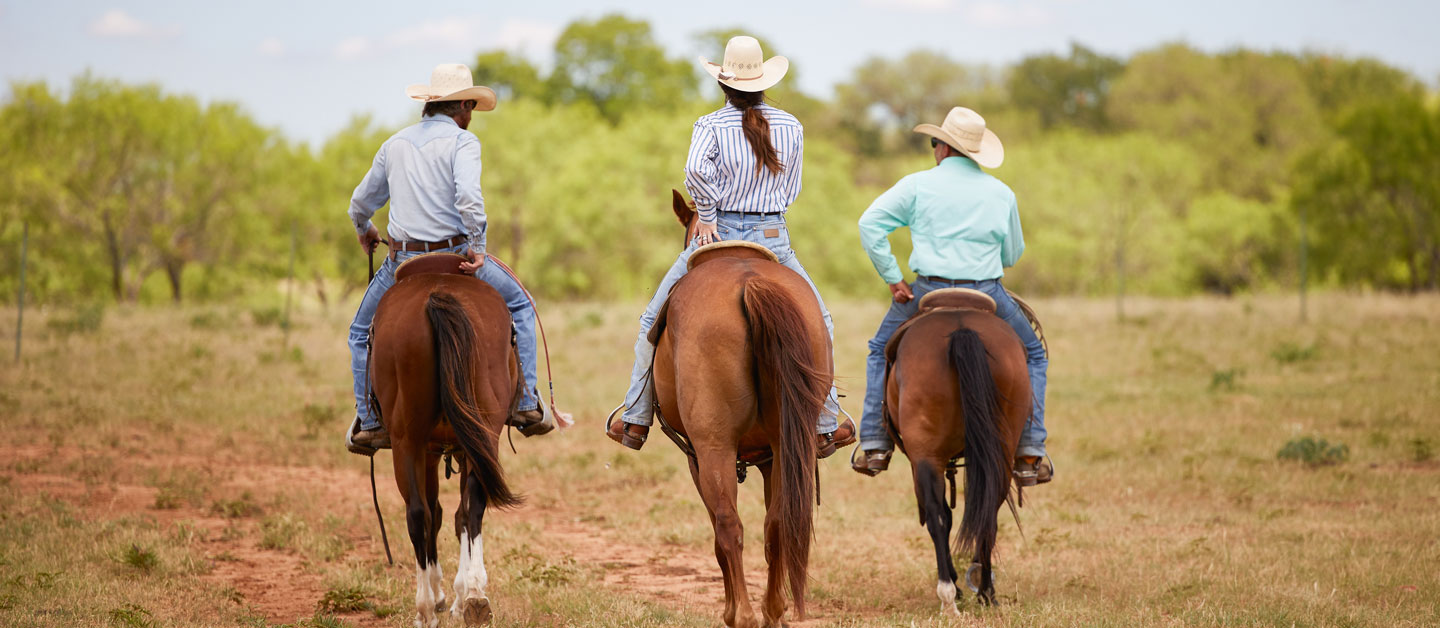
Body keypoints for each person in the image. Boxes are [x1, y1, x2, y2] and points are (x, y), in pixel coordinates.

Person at [605, 36, 855, 455]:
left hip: (717, 234)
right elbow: (791, 189)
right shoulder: (792, 126)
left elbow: (693, 172)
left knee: (653, 318)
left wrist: (705, 213)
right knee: (822, 322)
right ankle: (826, 421)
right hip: (774, 236)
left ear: (723, 83)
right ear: (763, 82)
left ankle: (634, 417)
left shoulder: (709, 125)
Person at [346, 63, 552, 452]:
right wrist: (478, 245)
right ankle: (526, 402)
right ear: (460, 107)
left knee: (360, 332)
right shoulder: (462, 142)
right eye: (470, 106)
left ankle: (369, 421)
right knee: (523, 307)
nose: (471, 115)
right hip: (457, 254)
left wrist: (366, 230)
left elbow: (360, 203)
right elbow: (469, 199)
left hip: (403, 262)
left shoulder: (395, 145)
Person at [853, 106, 1052, 485]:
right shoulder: (1002, 193)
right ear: (975, 153)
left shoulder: (915, 185)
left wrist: (894, 278)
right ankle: (1030, 448)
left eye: (934, 143)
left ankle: (876, 442)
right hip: (987, 291)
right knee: (1035, 354)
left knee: (880, 349)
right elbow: (1012, 255)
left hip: (928, 289)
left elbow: (870, 224)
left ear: (942, 147)